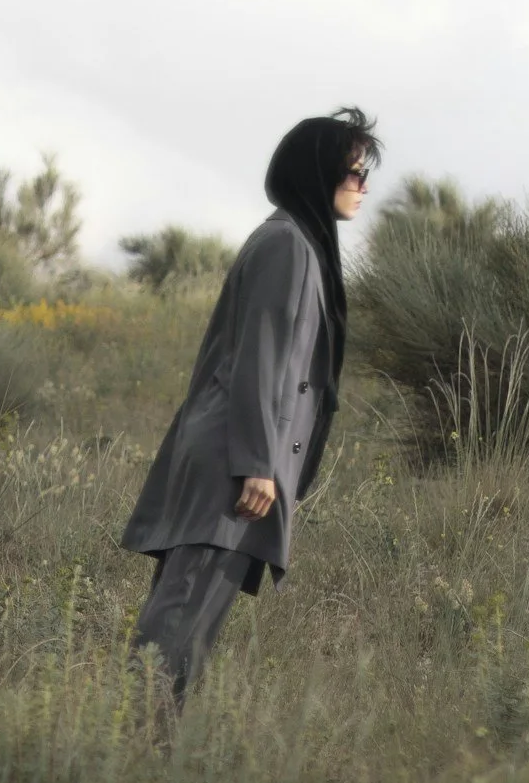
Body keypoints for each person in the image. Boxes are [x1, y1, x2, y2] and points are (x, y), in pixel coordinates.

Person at [119, 107, 381, 700]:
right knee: (181, 619)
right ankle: (139, 745)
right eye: (355, 173)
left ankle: (145, 747)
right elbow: (259, 363)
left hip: (233, 458)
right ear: (318, 173)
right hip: (233, 466)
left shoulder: (297, 243)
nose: (364, 188)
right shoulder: (288, 245)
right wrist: (259, 464)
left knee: (187, 620)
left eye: (366, 174)